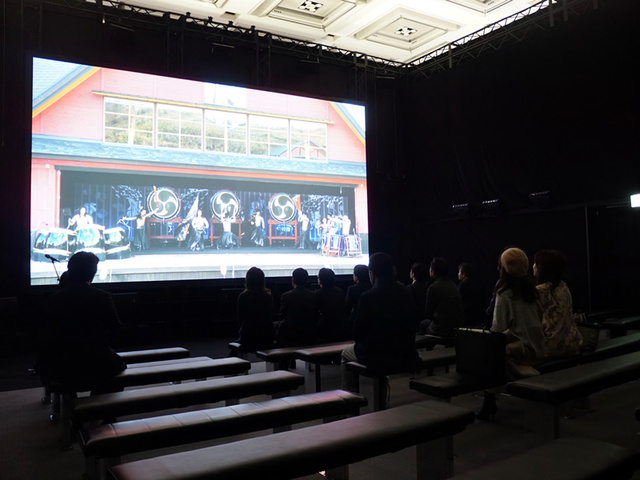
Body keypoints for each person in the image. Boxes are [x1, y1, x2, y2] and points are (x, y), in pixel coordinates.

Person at [35, 252, 126, 393]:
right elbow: (116, 331)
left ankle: (68, 402)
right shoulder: (102, 297)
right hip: (99, 365)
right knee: (117, 369)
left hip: (62, 368)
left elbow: (45, 336)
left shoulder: (53, 299)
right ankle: (101, 403)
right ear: (92, 273)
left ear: (70, 270)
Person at [478, 247, 544, 420]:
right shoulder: (532, 290)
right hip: (538, 349)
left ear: (504, 269)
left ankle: (488, 401)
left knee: (487, 355)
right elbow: (540, 317)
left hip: (520, 354)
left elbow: (498, 330)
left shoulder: (504, 295)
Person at [341, 252, 418, 391]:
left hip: (376, 355)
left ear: (372, 273)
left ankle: (350, 397)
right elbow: (412, 323)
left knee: (345, 354)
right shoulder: (405, 291)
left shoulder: (368, 297)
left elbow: (357, 333)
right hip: (404, 351)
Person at [534, 249, 582, 358]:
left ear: (542, 268)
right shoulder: (563, 286)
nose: (533, 266)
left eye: (536, 263)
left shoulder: (539, 291)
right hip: (573, 343)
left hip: (549, 348)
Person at [418, 257, 464, 337]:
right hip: (455, 328)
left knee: (423, 324)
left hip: (441, 329)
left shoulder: (433, 288)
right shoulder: (453, 285)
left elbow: (428, 314)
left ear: (432, 271)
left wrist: (435, 314)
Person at [274, 268, 317, 347]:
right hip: (309, 333)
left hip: (290, 335)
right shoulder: (314, 295)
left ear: (293, 280)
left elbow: (282, 316)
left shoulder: (286, 296)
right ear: (306, 280)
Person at [236, 267, 275, 350]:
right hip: (267, 337)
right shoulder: (268, 296)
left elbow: (240, 318)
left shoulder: (243, 297)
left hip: (248, 337)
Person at [315, 268, 349, 342]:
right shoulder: (340, 292)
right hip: (341, 329)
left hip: (324, 330)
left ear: (320, 280)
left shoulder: (317, 294)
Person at [458, 262, 489, 327]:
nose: (458, 274)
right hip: (480, 317)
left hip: (467, 318)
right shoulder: (480, 283)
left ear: (463, 274)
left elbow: (460, 302)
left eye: (459, 272)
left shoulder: (463, 285)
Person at [345, 264, 372, 332]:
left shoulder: (352, 289)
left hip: (356, 319)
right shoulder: (373, 287)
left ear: (356, 276)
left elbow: (348, 307)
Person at [407, 262, 430, 330]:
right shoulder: (429, 287)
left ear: (413, 274)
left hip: (413, 323)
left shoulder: (409, 289)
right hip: (427, 321)